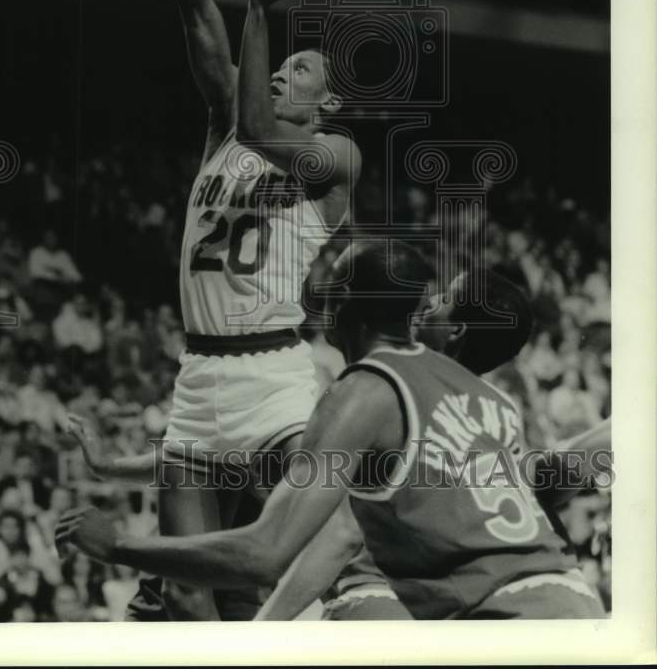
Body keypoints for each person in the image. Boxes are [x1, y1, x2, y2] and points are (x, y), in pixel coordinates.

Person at [57, 239, 605, 619]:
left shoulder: (368, 394)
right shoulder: (493, 405)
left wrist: (118, 545)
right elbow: (254, 458)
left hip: (466, 613)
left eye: (438, 300)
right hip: (567, 601)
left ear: (345, 307)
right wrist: (115, 466)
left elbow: (279, 546)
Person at [137, 0, 360, 620]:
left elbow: (262, 127)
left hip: (272, 380)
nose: (276, 76)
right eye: (277, 66)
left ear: (326, 101)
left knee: (300, 579)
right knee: (190, 607)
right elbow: (196, 0)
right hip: (197, 382)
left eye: (297, 70)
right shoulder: (224, 134)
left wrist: (263, 9)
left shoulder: (334, 160)